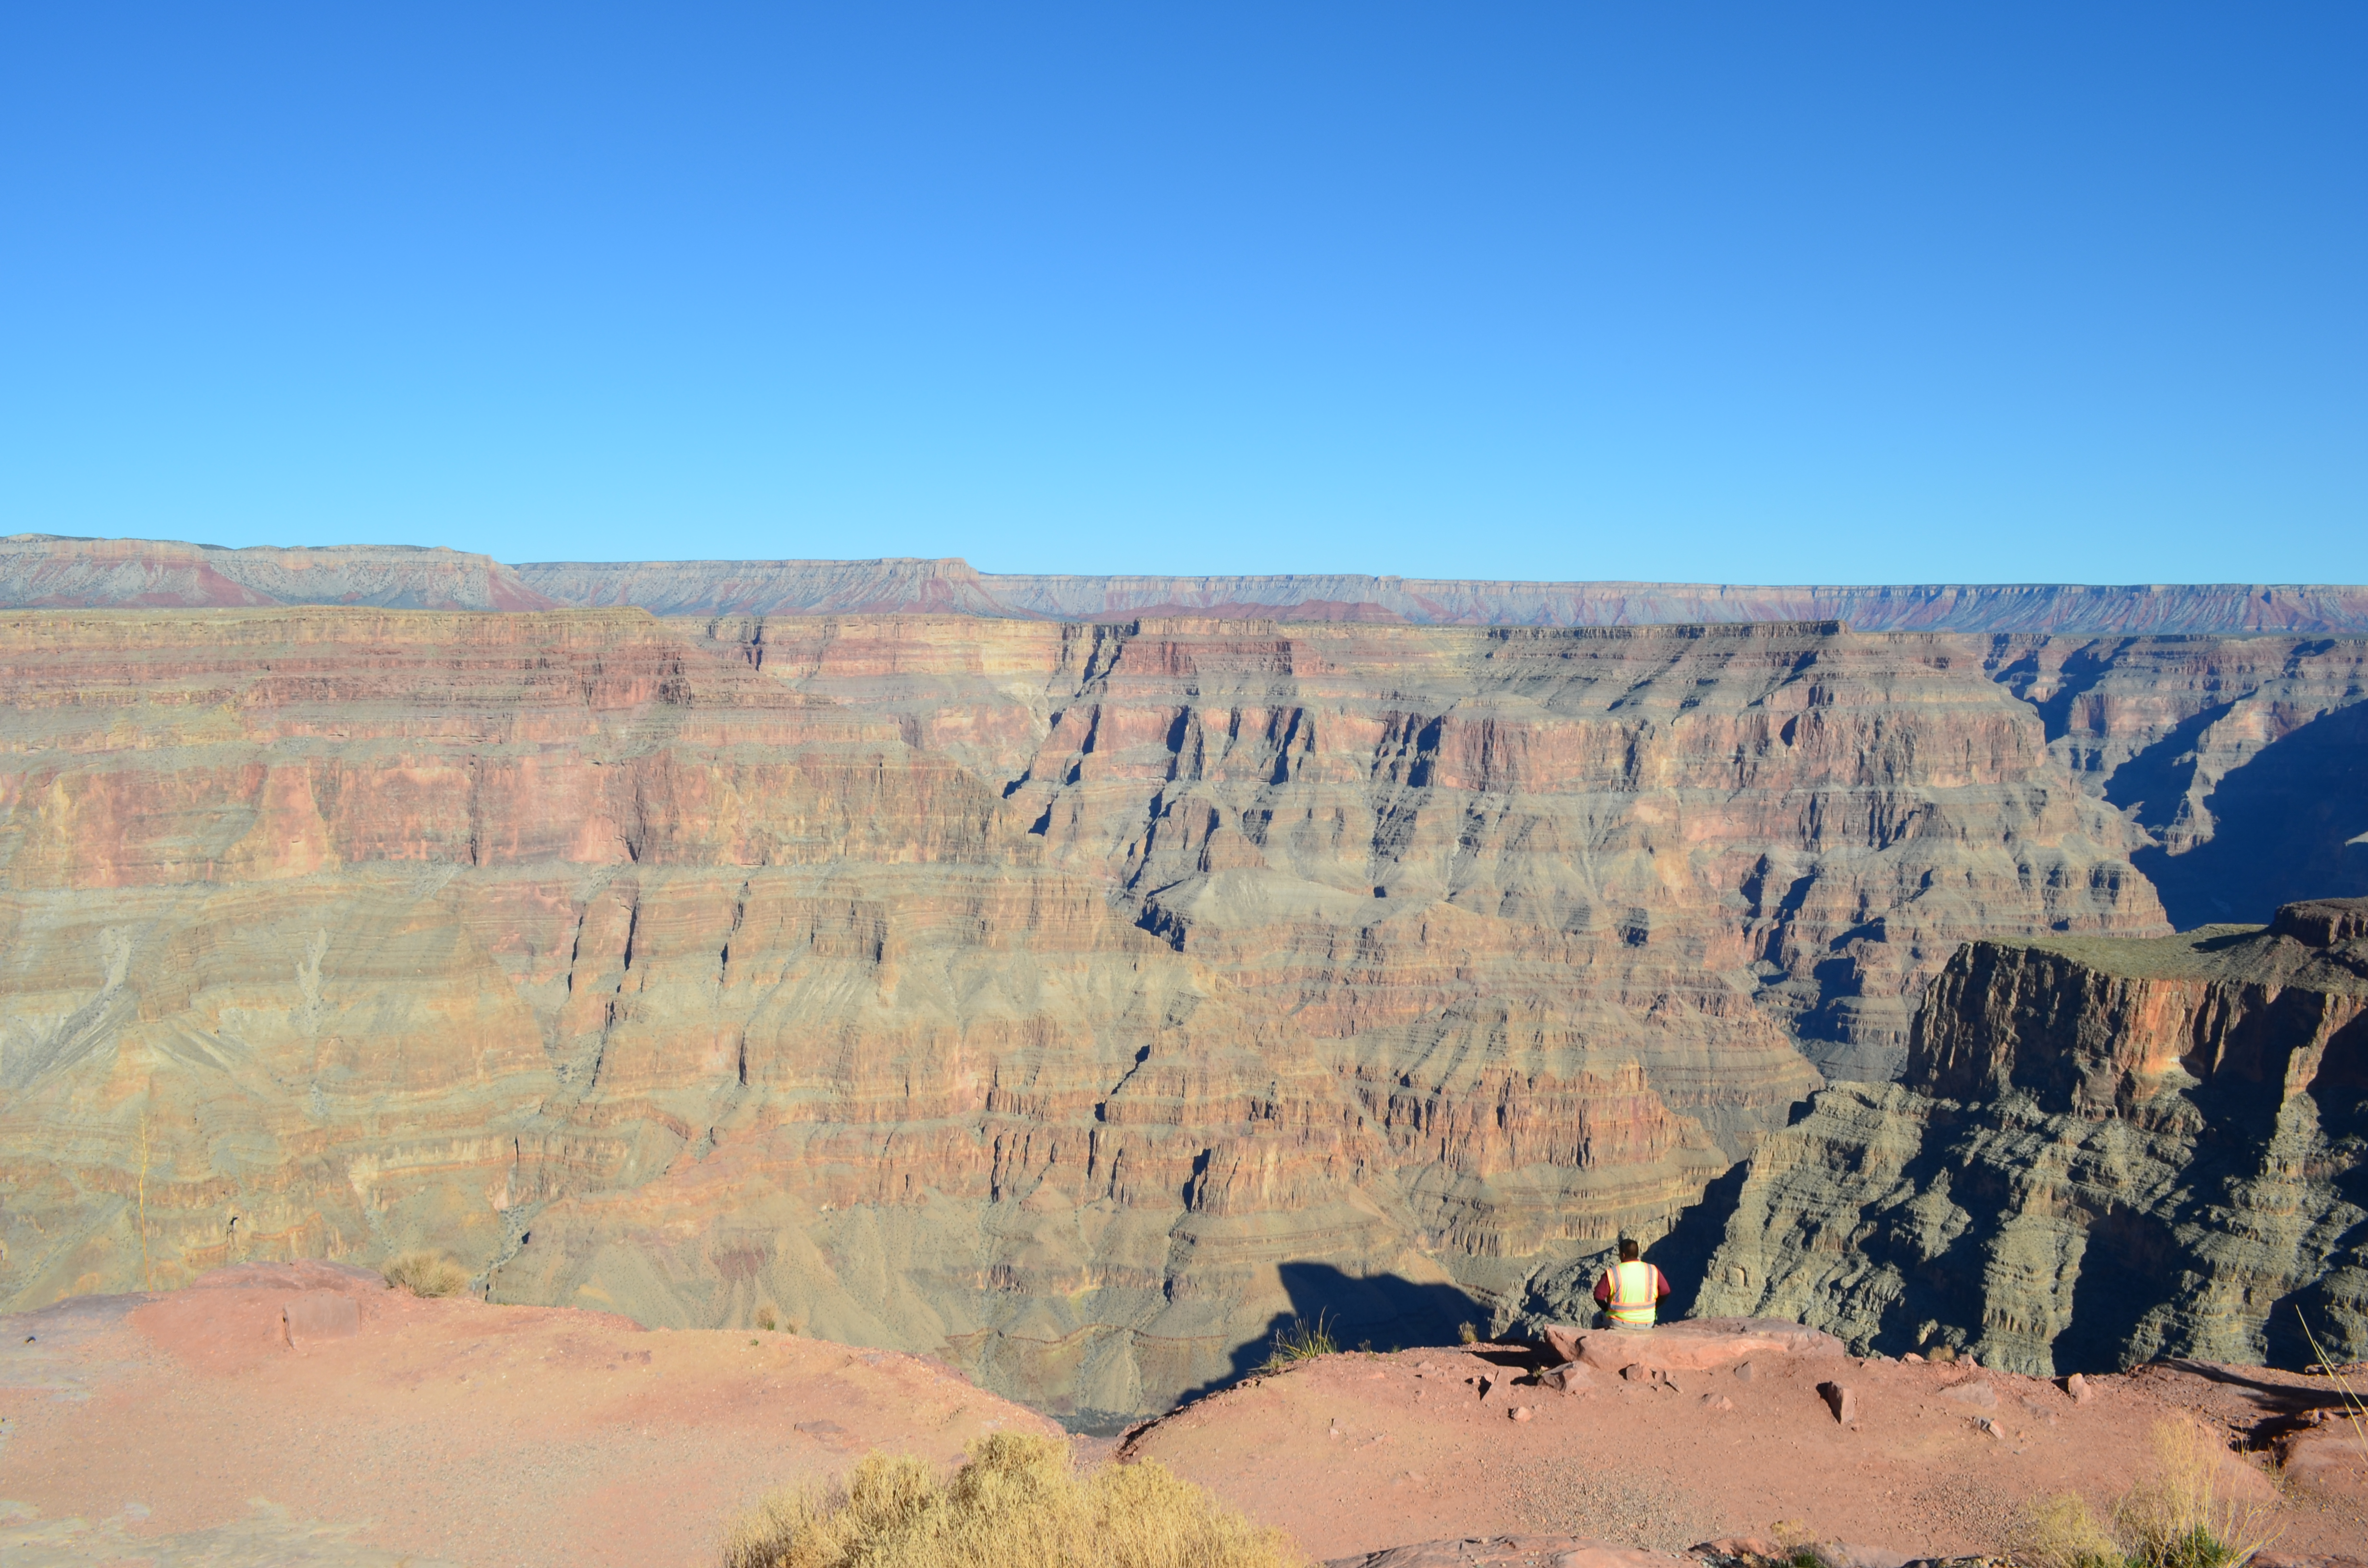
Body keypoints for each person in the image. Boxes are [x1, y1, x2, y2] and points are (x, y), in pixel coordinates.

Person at [1592, 1237, 1670, 1329]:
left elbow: (1598, 1296)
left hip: (1619, 1322)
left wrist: (1607, 1310)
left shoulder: (1613, 1273)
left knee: (1597, 1318)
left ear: (1623, 1255)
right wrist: (1654, 1307)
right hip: (1647, 1323)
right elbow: (1666, 1291)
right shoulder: (1652, 1270)